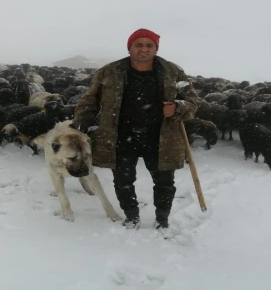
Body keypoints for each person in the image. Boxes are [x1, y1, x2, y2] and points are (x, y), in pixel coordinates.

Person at [70, 28, 199, 230]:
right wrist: (80, 122)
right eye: (138, 45)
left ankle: (162, 218)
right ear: (129, 48)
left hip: (161, 136)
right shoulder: (109, 71)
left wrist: (178, 108)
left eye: (149, 45)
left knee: (165, 181)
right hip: (120, 135)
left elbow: (192, 100)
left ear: (156, 48)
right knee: (123, 180)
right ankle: (131, 215)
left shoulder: (173, 72)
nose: (144, 49)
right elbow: (89, 100)